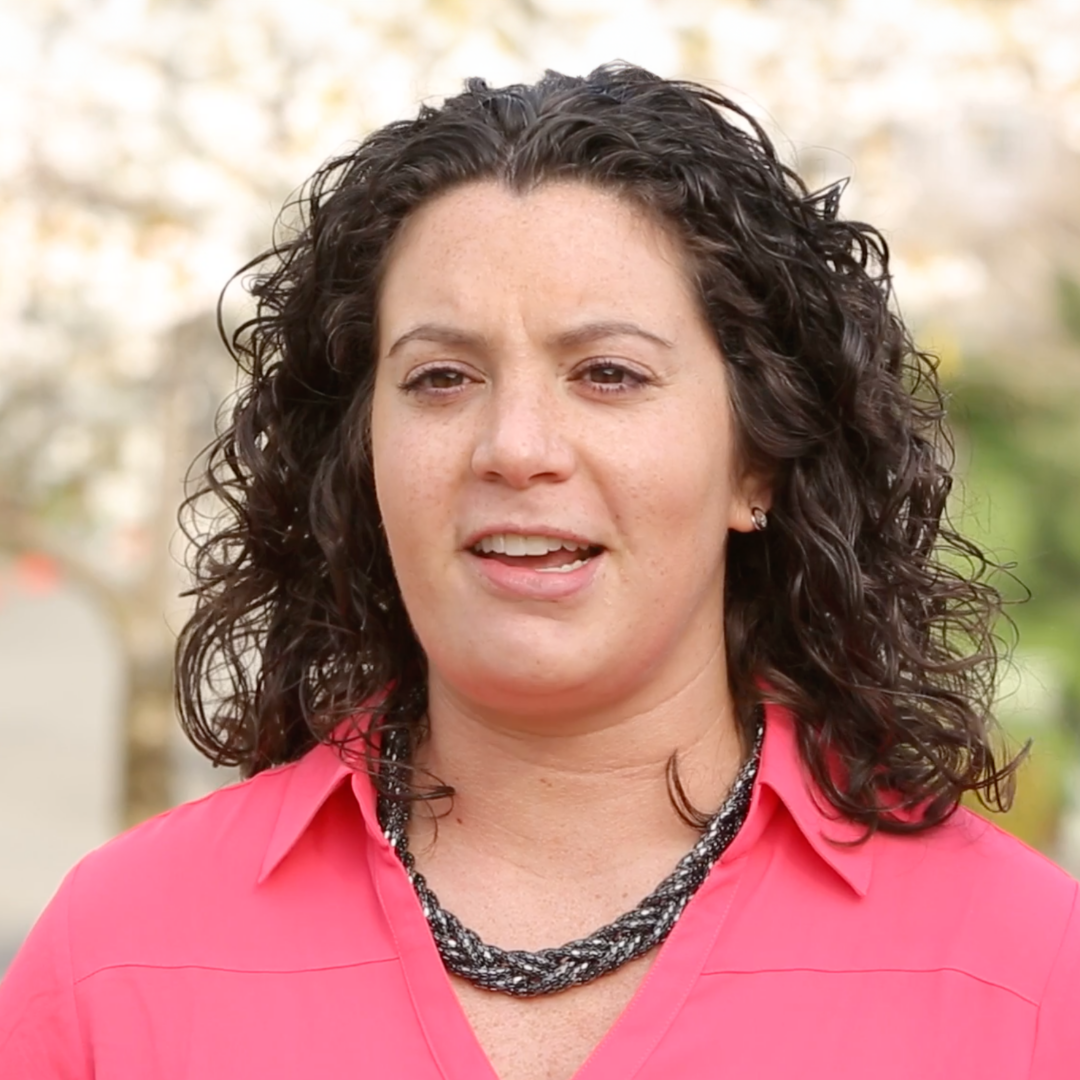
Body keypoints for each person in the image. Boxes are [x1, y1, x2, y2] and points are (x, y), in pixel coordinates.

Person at [1, 62, 1077, 1079]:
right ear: (362, 455)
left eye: (608, 373)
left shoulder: (1025, 974)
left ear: (758, 461)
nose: (515, 447)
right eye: (440, 378)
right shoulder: (118, 955)